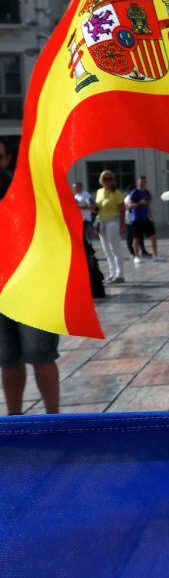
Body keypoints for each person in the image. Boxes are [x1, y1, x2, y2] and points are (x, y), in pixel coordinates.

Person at [0, 139, 62, 415]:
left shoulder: (26, 192)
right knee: (7, 359)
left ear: (6, 159)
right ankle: (15, 422)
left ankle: (54, 419)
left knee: (41, 354)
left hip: (32, 286)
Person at [93, 170, 126, 284]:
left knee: (115, 249)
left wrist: (122, 225)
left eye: (110, 178)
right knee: (106, 250)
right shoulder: (99, 192)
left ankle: (120, 275)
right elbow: (98, 207)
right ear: (101, 180)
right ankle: (112, 273)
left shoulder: (116, 193)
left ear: (113, 180)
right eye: (105, 178)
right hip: (101, 222)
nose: (107, 181)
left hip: (113, 222)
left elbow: (122, 209)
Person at [126, 176, 162, 263]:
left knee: (153, 236)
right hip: (137, 219)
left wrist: (151, 216)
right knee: (137, 238)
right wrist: (139, 203)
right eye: (140, 182)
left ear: (146, 183)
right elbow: (130, 205)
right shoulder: (135, 192)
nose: (142, 183)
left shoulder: (147, 192)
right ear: (138, 183)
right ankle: (136, 256)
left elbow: (148, 205)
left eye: (144, 182)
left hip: (146, 218)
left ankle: (155, 255)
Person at [72, 181, 96, 246]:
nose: (74, 189)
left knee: (86, 236)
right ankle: (87, 251)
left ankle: (90, 252)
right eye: (74, 188)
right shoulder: (76, 196)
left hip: (86, 218)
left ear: (80, 187)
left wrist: (79, 207)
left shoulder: (86, 195)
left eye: (76, 187)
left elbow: (90, 206)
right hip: (79, 218)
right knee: (81, 237)